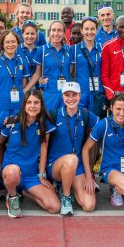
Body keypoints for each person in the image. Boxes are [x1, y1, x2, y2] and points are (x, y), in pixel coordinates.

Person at [0, 90, 60, 217]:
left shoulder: (44, 124)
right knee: (13, 171)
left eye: (36, 102)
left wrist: (42, 176)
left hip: (31, 176)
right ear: (24, 105)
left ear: (41, 105)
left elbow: (44, 149)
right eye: (29, 102)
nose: (32, 106)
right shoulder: (13, 121)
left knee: (55, 207)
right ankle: (13, 197)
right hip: (11, 171)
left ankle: (24, 191)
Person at [46, 83, 99, 215]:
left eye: (74, 94)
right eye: (67, 95)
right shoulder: (54, 114)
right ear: (62, 96)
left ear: (80, 96)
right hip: (56, 165)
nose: (71, 98)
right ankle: (66, 197)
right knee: (71, 160)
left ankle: (69, 187)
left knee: (89, 205)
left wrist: (88, 175)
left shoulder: (86, 114)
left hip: (77, 166)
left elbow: (105, 124)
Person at [0, 30, 30, 121]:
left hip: (18, 107)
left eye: (13, 41)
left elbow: (24, 85)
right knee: (0, 134)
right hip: (0, 107)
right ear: (2, 44)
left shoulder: (22, 61)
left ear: (17, 43)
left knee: (16, 133)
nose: (10, 44)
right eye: (7, 42)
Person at [38, 21, 73, 114]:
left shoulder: (69, 50)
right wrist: (40, 79)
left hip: (67, 94)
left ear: (64, 33)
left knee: (65, 124)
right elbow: (37, 72)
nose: (56, 33)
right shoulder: (42, 49)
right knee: (49, 124)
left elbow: (72, 71)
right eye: (53, 30)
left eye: (59, 30)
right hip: (49, 93)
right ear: (49, 32)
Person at [73, 16, 104, 117]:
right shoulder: (74, 49)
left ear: (97, 30)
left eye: (92, 29)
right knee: (81, 123)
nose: (89, 32)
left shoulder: (102, 48)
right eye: (86, 29)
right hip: (81, 93)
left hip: (97, 93)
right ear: (82, 30)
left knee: (95, 125)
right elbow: (69, 72)